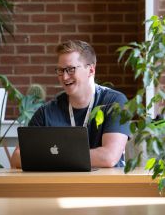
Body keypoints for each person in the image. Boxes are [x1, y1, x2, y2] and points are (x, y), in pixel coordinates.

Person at [10, 40, 130, 169]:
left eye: (71, 69)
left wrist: (54, 157)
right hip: (62, 187)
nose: (65, 77)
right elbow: (17, 157)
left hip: (104, 186)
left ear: (91, 70)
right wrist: (66, 158)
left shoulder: (115, 102)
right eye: (60, 70)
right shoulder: (46, 112)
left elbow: (109, 157)